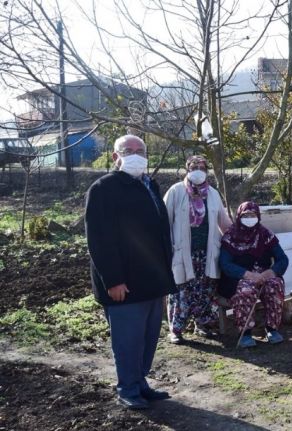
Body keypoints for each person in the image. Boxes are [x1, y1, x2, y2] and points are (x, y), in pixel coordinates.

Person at [85, 135, 177, 410]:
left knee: (148, 339)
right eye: (128, 150)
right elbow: (99, 239)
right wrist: (113, 280)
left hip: (152, 280)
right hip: (124, 284)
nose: (135, 155)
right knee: (128, 340)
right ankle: (127, 387)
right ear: (115, 157)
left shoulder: (149, 185)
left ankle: (140, 382)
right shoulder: (103, 189)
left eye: (140, 151)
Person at [163, 155, 232, 344]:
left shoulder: (213, 193)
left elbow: (223, 221)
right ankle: (176, 330)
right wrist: (164, 249)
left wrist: (237, 236)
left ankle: (201, 324)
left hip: (207, 252)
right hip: (182, 251)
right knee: (180, 291)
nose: (198, 170)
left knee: (205, 290)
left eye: (202, 167)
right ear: (187, 169)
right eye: (194, 167)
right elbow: (164, 222)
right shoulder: (176, 191)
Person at [218, 201, 289, 348]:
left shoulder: (265, 234)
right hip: (238, 278)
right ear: (239, 216)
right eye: (246, 215)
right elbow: (225, 264)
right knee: (247, 289)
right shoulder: (230, 236)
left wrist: (272, 271)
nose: (250, 218)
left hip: (263, 275)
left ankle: (271, 329)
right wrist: (247, 274)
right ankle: (245, 332)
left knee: (275, 284)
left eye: (253, 215)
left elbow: (282, 258)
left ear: (258, 216)